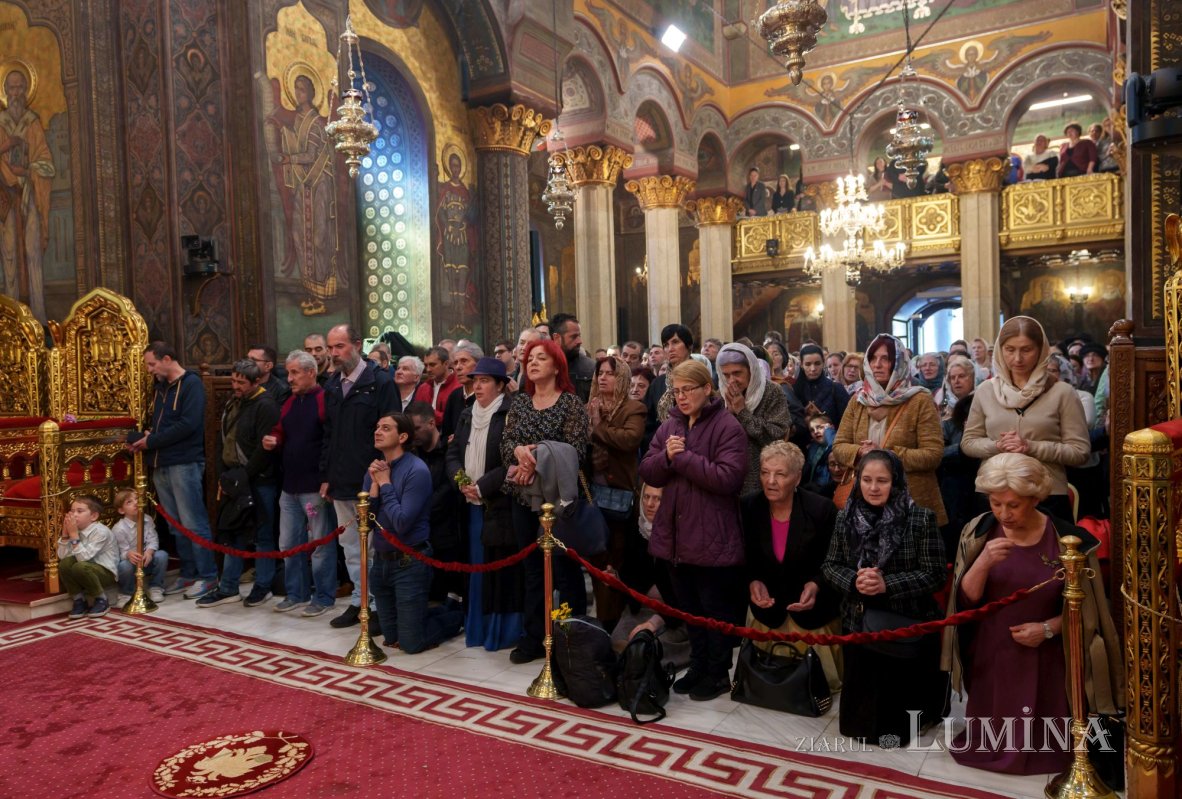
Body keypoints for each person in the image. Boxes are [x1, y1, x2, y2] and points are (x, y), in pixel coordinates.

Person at [942, 453, 1123, 774]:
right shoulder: (978, 530)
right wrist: (983, 561)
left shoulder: (1070, 542)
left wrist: (1048, 629)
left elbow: (1089, 611)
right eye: (996, 503)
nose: (1003, 514)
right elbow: (965, 601)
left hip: (1050, 651)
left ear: (1036, 497)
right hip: (991, 647)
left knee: (1045, 740)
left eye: (1013, 505)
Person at [639, 360, 748, 701]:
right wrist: (668, 460)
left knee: (714, 610)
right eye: (677, 390)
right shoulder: (669, 424)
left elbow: (728, 478)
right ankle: (698, 666)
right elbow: (648, 469)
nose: (682, 397)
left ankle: (717, 674)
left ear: (707, 389)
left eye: (689, 389)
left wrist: (682, 459)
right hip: (675, 536)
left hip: (711, 534)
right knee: (689, 611)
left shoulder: (728, 426)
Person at [821, 450, 947, 744]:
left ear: (897, 482)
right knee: (862, 704)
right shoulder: (846, 517)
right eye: (866, 479)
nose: (873, 488)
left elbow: (935, 574)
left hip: (906, 621)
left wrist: (886, 584)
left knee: (898, 708)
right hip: (858, 618)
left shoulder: (920, 519)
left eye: (882, 480)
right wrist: (855, 580)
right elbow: (830, 565)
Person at [500, 338, 591, 664]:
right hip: (523, 497)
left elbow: (576, 450)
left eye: (541, 358)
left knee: (565, 571)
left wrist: (533, 456)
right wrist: (518, 452)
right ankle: (534, 637)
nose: (533, 363)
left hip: (558, 500)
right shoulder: (521, 403)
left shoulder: (571, 404)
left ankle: (571, 635)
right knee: (532, 570)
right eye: (529, 358)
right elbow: (507, 441)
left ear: (556, 365)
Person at [961, 316, 1089, 521]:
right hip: (994, 493)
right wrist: (998, 445)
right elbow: (968, 443)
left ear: (1041, 350)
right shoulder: (986, 390)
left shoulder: (1062, 393)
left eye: (1026, 350)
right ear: (1000, 350)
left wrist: (1031, 447)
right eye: (1010, 350)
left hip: (1046, 494)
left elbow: (1080, 452)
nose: (1017, 359)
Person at [742, 442, 843, 691]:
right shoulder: (748, 506)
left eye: (780, 474)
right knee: (764, 686)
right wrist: (753, 580)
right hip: (769, 607)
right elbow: (744, 557)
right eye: (765, 472)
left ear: (797, 477)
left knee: (815, 687)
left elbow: (835, 560)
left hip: (811, 610)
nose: (771, 481)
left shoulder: (821, 509)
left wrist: (816, 585)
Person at [364, 413, 463, 653]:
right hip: (381, 563)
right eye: (377, 426)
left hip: (410, 562)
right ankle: (431, 612)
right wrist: (374, 488)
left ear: (403, 436)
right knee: (390, 637)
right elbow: (365, 522)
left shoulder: (416, 470)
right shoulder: (376, 469)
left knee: (410, 643)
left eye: (386, 428)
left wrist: (385, 484)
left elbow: (401, 523)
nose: (378, 431)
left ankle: (457, 617)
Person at [321, 324, 398, 629]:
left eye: (339, 347)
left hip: (371, 479)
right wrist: (326, 475)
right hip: (340, 478)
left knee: (374, 547)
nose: (333, 354)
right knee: (350, 547)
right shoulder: (331, 385)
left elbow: (391, 430)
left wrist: (382, 473)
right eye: (331, 348)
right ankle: (359, 601)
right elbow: (328, 435)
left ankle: (379, 605)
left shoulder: (379, 382)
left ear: (356, 345)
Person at [446, 357, 524, 650]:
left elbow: (511, 460)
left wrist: (482, 487)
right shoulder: (467, 413)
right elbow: (452, 452)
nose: (477, 386)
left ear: (501, 385)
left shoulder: (511, 413)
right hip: (470, 503)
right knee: (475, 567)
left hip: (499, 504)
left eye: (485, 381)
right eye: (475, 381)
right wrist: (461, 481)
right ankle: (476, 627)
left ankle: (501, 632)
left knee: (500, 570)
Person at [129, 342, 218, 599]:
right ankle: (188, 573)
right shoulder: (160, 386)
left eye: (152, 364)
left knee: (194, 522)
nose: (149, 370)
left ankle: (208, 576)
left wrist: (152, 441)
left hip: (184, 462)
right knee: (175, 525)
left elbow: (188, 425)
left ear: (167, 358)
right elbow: (159, 424)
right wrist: (144, 438)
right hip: (160, 462)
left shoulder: (191, 384)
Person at [833, 335, 947, 525]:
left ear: (899, 363)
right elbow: (839, 446)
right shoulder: (858, 400)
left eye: (885, 359)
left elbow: (933, 454)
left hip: (910, 500)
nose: (877, 365)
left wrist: (888, 455)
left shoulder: (920, 400)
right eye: (873, 358)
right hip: (866, 502)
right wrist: (861, 452)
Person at [197, 359, 281, 608]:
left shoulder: (266, 405)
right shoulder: (234, 403)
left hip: (260, 479)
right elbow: (223, 440)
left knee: (263, 534)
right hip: (235, 478)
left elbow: (263, 448)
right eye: (233, 381)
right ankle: (228, 587)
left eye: (241, 383)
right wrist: (226, 475)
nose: (235, 386)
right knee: (233, 532)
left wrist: (245, 475)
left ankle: (263, 585)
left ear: (256, 382)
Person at [266, 350, 337, 617]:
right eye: (288, 372)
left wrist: (327, 478)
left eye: (295, 372)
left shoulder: (324, 399)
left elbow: (330, 441)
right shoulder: (290, 401)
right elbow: (281, 429)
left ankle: (324, 596)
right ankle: (296, 593)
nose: (289, 378)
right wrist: (274, 439)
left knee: (319, 545)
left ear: (311, 372)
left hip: (313, 487)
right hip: (289, 485)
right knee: (288, 543)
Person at [587, 355, 647, 630]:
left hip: (621, 494)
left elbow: (628, 440)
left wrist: (599, 426)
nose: (602, 378)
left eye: (610, 373)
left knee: (618, 558)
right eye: (600, 373)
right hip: (593, 494)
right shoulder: (590, 407)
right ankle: (603, 621)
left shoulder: (634, 408)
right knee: (598, 558)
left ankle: (619, 621)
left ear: (621, 377)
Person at [716, 342, 792, 494]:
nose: (731, 380)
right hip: (728, 476)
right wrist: (728, 415)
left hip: (761, 479)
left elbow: (775, 437)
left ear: (751, 370)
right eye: (726, 375)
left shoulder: (771, 392)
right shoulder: (721, 395)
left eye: (737, 373)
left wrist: (742, 412)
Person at [58, 496, 120, 619]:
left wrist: (74, 536)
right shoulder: (75, 530)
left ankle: (101, 599)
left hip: (105, 572)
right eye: (72, 511)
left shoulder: (101, 532)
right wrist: (65, 535)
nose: (74, 515)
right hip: (85, 568)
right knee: (65, 564)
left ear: (93, 516)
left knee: (80, 566)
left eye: (79, 511)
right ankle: (78, 600)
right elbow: (62, 556)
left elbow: (83, 558)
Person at [111, 489, 168, 605]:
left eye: (137, 499)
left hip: (146, 561)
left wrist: (149, 552)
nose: (136, 503)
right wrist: (128, 554)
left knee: (162, 555)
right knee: (124, 566)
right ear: (121, 510)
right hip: (131, 563)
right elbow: (119, 552)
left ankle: (156, 587)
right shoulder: (119, 528)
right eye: (129, 502)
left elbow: (153, 539)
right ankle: (126, 593)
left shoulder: (147, 519)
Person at [794, 343, 849, 426]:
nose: (813, 369)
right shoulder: (794, 390)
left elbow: (847, 422)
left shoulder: (836, 389)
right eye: (808, 364)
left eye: (817, 363)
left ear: (823, 363)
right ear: (801, 365)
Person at [550, 312, 596, 402]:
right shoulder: (539, 368)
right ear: (556, 338)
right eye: (574, 337)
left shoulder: (591, 368)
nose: (580, 341)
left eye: (579, 336)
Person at [441, 342, 483, 439]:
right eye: (455, 363)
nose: (458, 367)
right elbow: (445, 434)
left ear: (478, 364)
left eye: (464, 361)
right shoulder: (454, 396)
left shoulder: (485, 396)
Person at [803, 414, 837, 495]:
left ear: (831, 428)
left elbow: (835, 449)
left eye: (819, 427)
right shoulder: (813, 447)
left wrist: (829, 431)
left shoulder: (838, 441)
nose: (815, 432)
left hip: (830, 490)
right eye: (812, 430)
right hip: (814, 489)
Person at [939, 355, 978, 421]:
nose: (956, 381)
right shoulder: (945, 409)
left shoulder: (981, 404)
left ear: (973, 378)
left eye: (961, 376)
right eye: (953, 377)